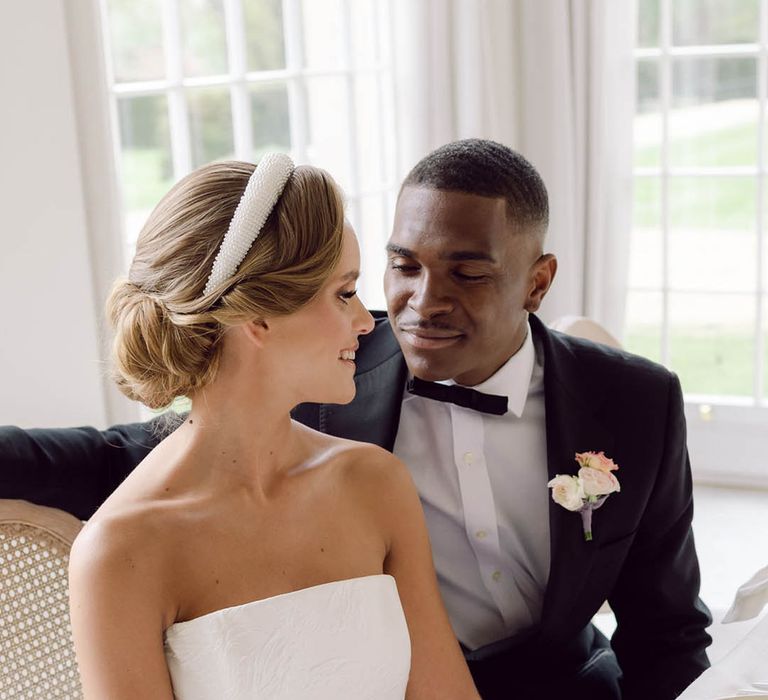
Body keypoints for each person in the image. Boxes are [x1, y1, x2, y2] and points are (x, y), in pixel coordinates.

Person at [0, 139, 711, 699]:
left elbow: (667, 634)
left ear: (538, 281)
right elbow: (133, 453)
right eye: (394, 270)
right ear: (256, 320)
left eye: (466, 273)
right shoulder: (325, 382)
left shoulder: (630, 404)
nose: (409, 309)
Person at [61, 155, 480, 698]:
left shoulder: (375, 484)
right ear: (256, 318)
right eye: (344, 293)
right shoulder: (120, 552)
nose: (365, 322)